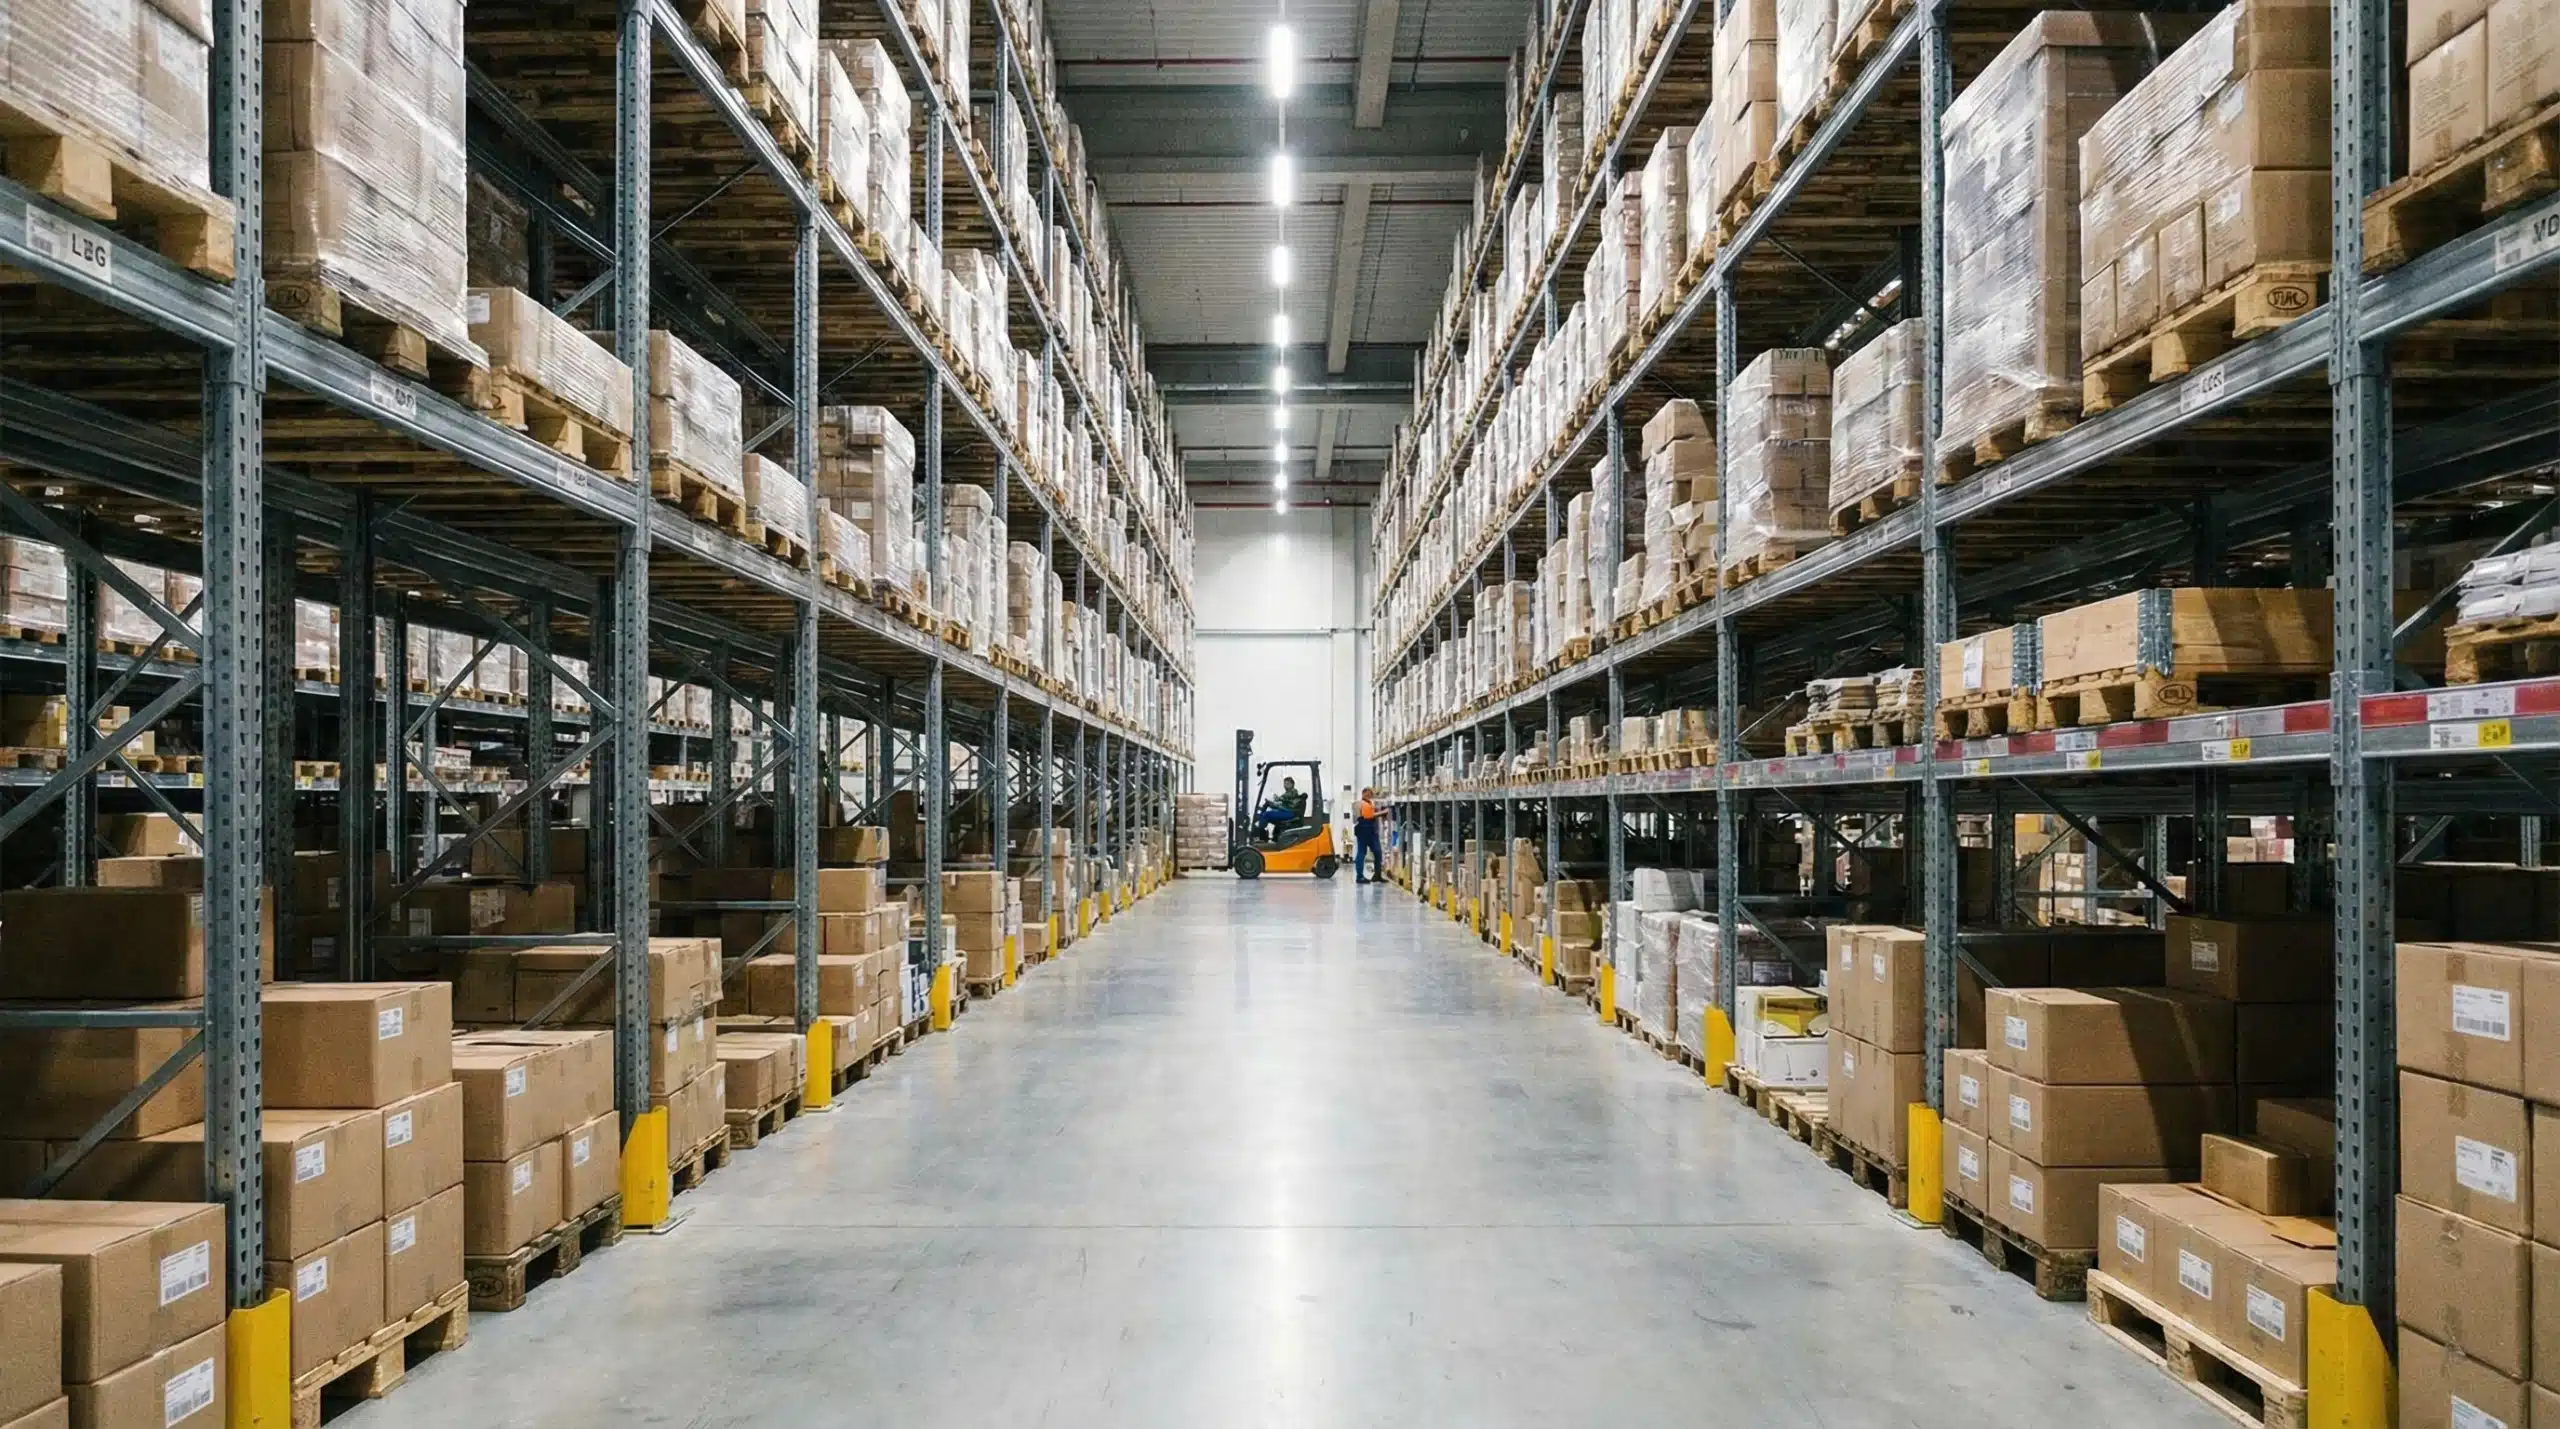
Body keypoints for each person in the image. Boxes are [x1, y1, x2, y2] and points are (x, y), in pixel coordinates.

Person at [1253, 777, 1306, 841]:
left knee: (1266, 814)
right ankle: (1274, 836)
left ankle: (1261, 836)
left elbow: (1284, 799)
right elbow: (1281, 804)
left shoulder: (1293, 792)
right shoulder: (1287, 793)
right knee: (1270, 813)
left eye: (1288, 784)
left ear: (1292, 784)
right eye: (1285, 784)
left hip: (1289, 813)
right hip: (1287, 811)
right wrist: (1272, 804)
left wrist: (1278, 799)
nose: (1285, 785)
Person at [1354, 787, 1385, 883]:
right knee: (1362, 853)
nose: (1370, 795)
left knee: (1377, 852)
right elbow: (1369, 816)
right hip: (1365, 830)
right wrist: (1384, 812)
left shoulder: (1369, 803)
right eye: (1368, 793)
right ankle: (1359, 877)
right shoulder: (1363, 804)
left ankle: (1377, 875)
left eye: (1371, 793)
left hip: (1370, 831)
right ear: (1363, 793)